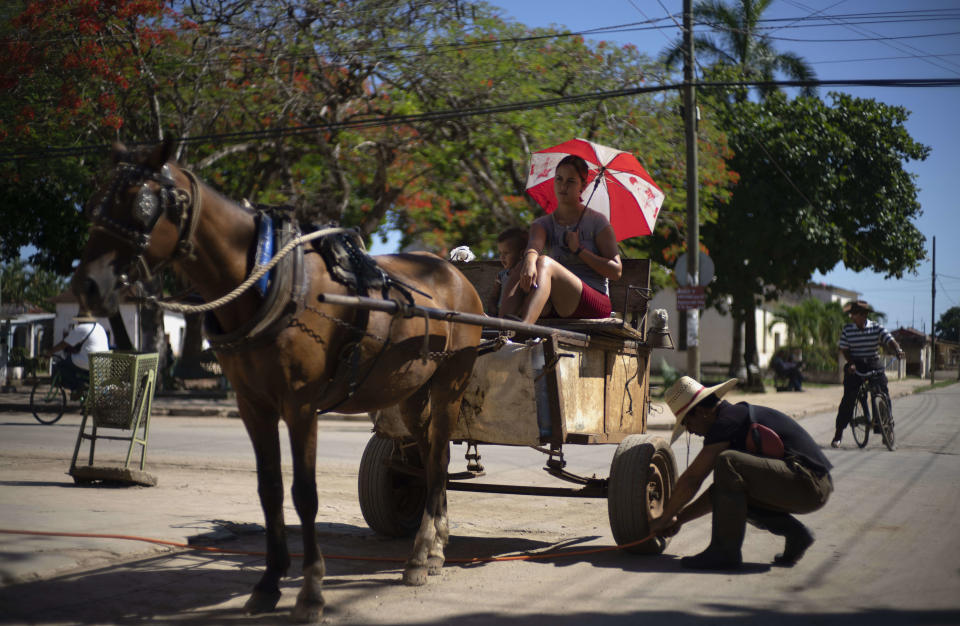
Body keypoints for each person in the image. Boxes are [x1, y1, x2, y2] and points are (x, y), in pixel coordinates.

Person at [651, 376, 833, 570]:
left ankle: (724, 552)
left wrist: (664, 517)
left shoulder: (729, 420)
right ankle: (796, 534)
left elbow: (692, 479)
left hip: (809, 482)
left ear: (702, 412)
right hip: (810, 486)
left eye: (687, 423)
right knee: (733, 493)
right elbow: (720, 495)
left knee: (727, 461)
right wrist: (679, 519)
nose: (690, 431)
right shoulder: (733, 419)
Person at [499, 154, 622, 323]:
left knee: (544, 262)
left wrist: (579, 250)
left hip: (592, 302)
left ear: (583, 186)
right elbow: (535, 245)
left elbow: (616, 271)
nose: (563, 186)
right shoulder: (543, 223)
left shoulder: (597, 221)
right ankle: (502, 328)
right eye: (559, 179)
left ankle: (524, 328)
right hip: (557, 301)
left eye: (570, 181)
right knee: (524, 263)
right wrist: (528, 262)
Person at [831, 300, 904, 448]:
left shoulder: (876, 327)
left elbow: (889, 339)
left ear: (863, 315)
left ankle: (886, 429)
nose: (852, 317)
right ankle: (838, 434)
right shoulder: (848, 329)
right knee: (849, 397)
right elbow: (844, 349)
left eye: (854, 314)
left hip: (872, 362)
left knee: (882, 392)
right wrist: (851, 363)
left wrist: (898, 350)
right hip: (855, 362)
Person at [46, 312, 110, 391]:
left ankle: (77, 387)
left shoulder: (82, 328)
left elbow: (64, 344)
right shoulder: (99, 327)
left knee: (61, 365)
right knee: (74, 362)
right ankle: (83, 384)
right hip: (102, 363)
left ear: (80, 320)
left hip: (89, 362)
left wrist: (50, 352)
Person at [492, 227, 528, 316]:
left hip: (517, 314)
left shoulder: (525, 274)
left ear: (521, 254)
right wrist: (492, 309)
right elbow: (494, 296)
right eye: (500, 253)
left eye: (506, 253)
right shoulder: (501, 275)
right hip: (501, 313)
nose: (502, 257)